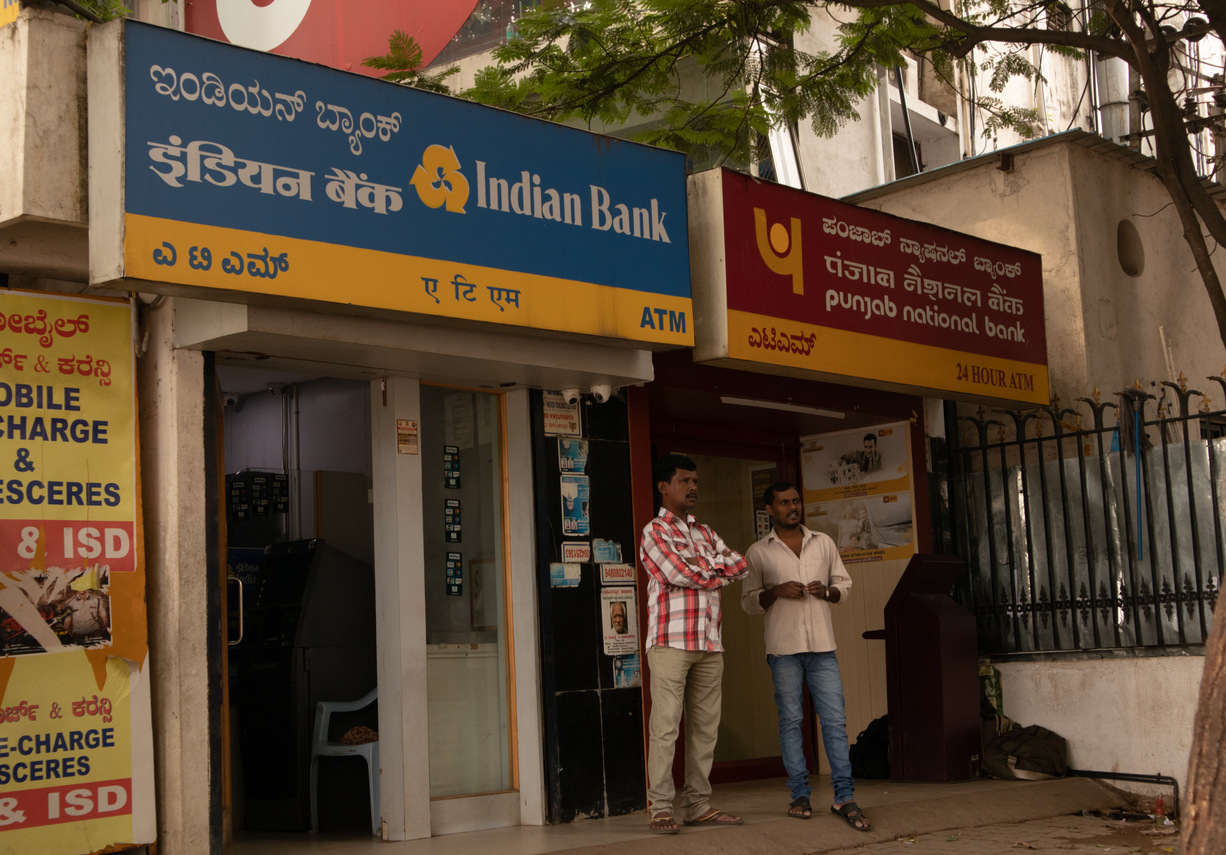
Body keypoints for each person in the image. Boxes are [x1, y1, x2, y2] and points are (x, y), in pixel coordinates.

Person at [741, 481, 871, 832]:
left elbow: (844, 585)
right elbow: (749, 602)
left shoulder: (823, 542)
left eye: (796, 501)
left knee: (835, 721)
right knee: (791, 721)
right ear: (770, 510)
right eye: (784, 503)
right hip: (783, 650)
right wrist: (775, 591)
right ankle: (799, 794)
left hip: (823, 648)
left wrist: (827, 592)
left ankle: (844, 796)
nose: (792, 507)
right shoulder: (758, 552)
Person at [639, 453, 748, 834]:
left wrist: (704, 571)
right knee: (665, 728)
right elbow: (678, 572)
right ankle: (660, 807)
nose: (693, 487)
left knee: (705, 730)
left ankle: (697, 804)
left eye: (695, 481)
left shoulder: (705, 532)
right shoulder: (654, 532)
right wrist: (715, 572)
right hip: (670, 642)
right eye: (684, 481)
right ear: (663, 487)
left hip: (709, 643)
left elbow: (740, 563)